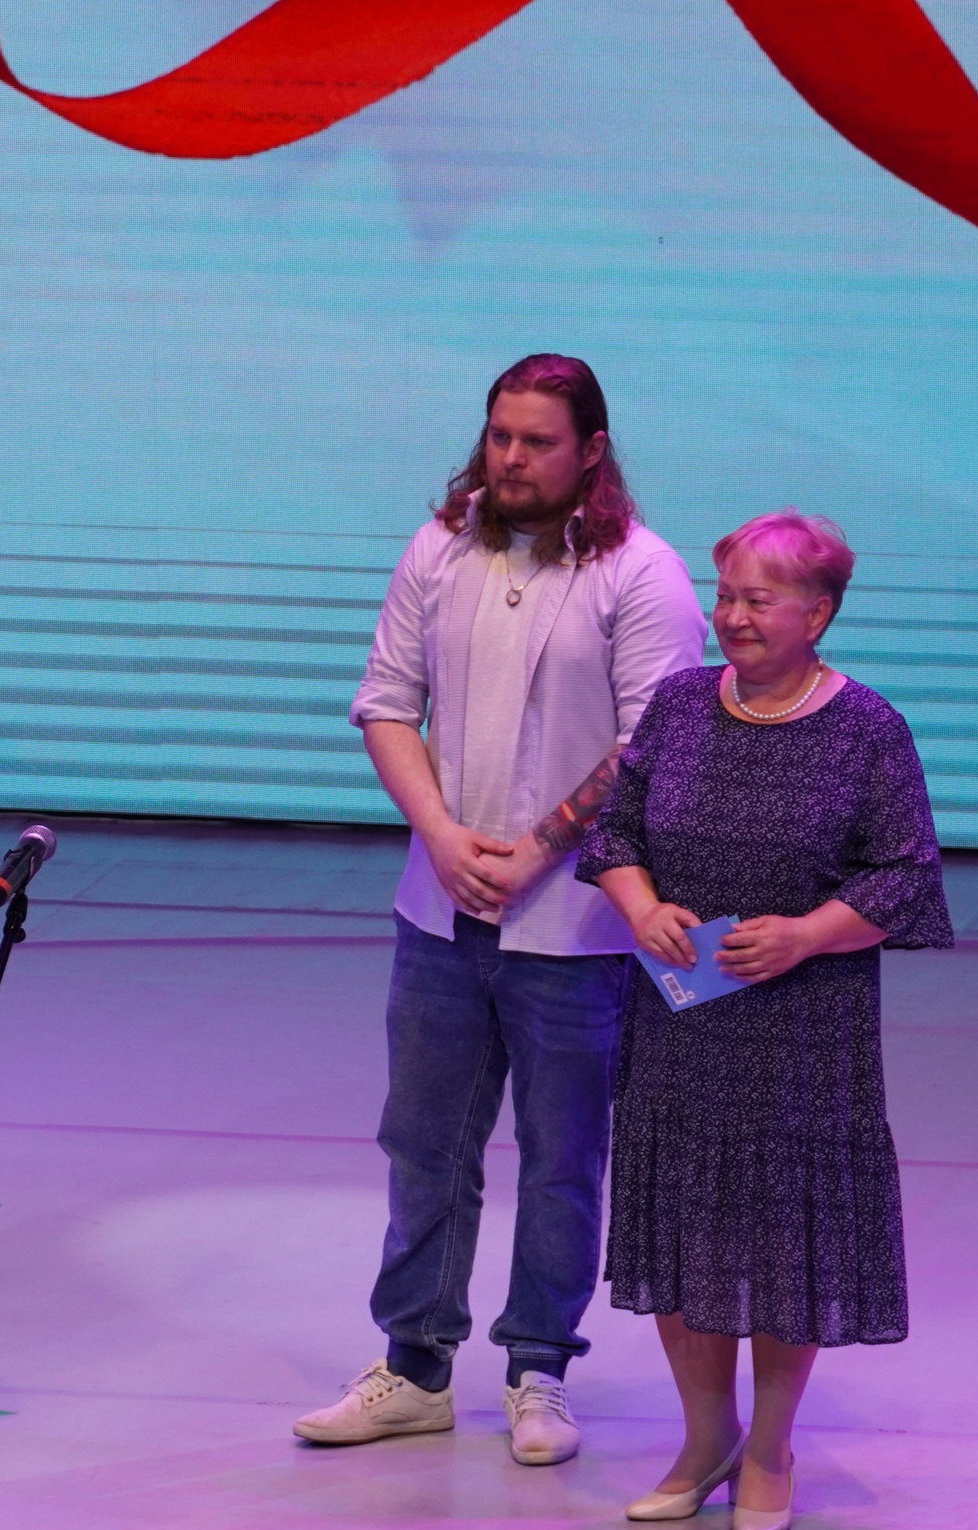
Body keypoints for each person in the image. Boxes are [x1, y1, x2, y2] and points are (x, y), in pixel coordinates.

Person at [300, 354, 705, 1465]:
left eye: (537, 442)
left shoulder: (643, 574)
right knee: (423, 1144)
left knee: (561, 1156)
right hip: (438, 915)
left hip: (575, 932)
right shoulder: (438, 547)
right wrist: (440, 835)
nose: (512, 460)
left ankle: (538, 1371)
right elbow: (387, 704)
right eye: (499, 436)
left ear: (592, 452)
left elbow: (651, 746)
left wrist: (535, 852)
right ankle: (415, 1365)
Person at [576, 509, 951, 1530]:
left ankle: (771, 1450)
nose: (733, 617)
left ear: (817, 614)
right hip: (682, 1024)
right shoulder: (678, 705)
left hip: (804, 1030)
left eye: (759, 600)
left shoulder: (867, 729)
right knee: (685, 1225)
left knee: (786, 1235)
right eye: (726, 596)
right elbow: (615, 832)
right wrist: (641, 907)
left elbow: (904, 875)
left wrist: (806, 936)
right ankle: (705, 1439)